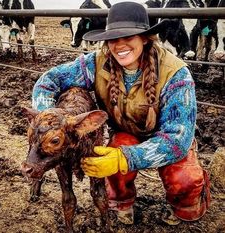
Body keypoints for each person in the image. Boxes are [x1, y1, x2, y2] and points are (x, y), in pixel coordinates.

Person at [32, 1, 210, 226]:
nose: (120, 45)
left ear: (145, 38)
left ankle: (187, 206)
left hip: (168, 139)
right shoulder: (95, 64)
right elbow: (48, 80)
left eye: (129, 37)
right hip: (126, 135)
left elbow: (178, 139)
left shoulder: (176, 73)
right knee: (110, 155)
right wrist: (50, 120)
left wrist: (124, 158)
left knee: (182, 179)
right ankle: (122, 202)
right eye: (113, 38)